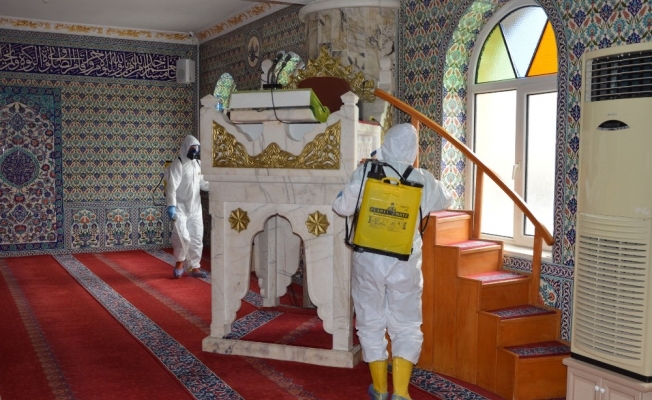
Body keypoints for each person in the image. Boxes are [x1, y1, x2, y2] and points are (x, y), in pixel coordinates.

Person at [332, 124, 452, 400]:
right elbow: (447, 199)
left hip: (369, 259)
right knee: (407, 323)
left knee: (370, 320)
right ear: (414, 150)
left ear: (386, 143)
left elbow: (341, 207)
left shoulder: (366, 172)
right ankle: (401, 392)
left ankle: (380, 388)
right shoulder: (423, 178)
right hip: (404, 262)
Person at [166, 135, 210, 279]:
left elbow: (203, 184)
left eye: (197, 149)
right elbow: (171, 188)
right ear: (186, 148)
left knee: (197, 237)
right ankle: (179, 264)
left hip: (195, 208)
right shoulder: (177, 164)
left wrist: (216, 187)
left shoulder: (198, 164)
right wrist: (171, 206)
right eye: (192, 148)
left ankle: (195, 267)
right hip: (180, 207)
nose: (195, 151)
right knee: (182, 237)